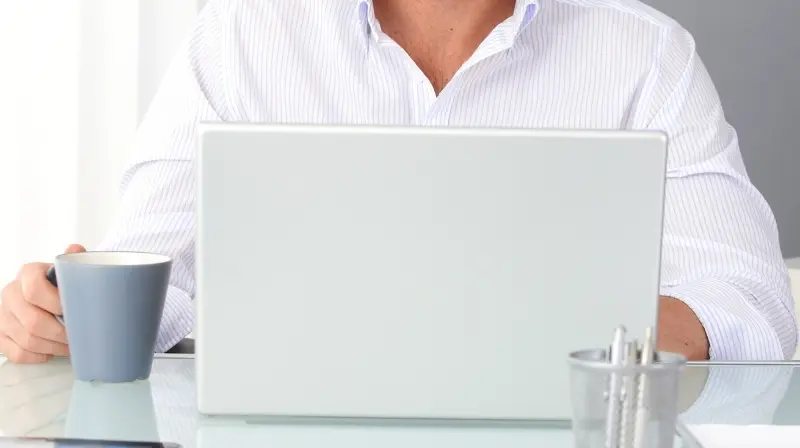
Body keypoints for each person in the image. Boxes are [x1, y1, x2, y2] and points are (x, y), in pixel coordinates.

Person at [0, 0, 796, 365]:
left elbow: (750, 304)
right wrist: (62, 313)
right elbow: (153, 273)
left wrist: (528, 324)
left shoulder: (644, 54)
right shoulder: (238, 37)